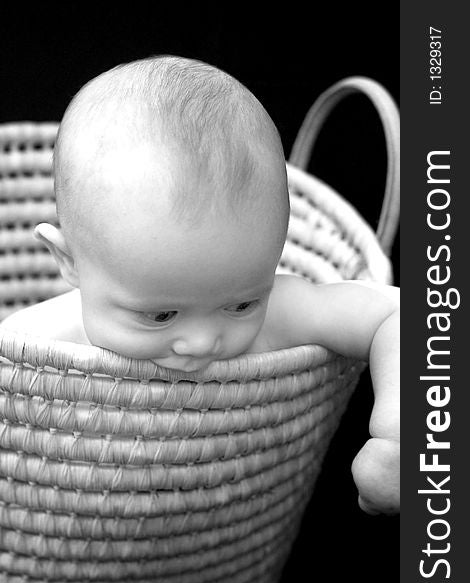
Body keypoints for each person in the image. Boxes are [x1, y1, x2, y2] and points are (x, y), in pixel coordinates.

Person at [1, 55, 399, 515]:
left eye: (242, 304)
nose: (203, 341)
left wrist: (397, 435)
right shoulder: (30, 346)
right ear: (69, 262)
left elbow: (398, 314)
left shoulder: (285, 312)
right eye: (160, 315)